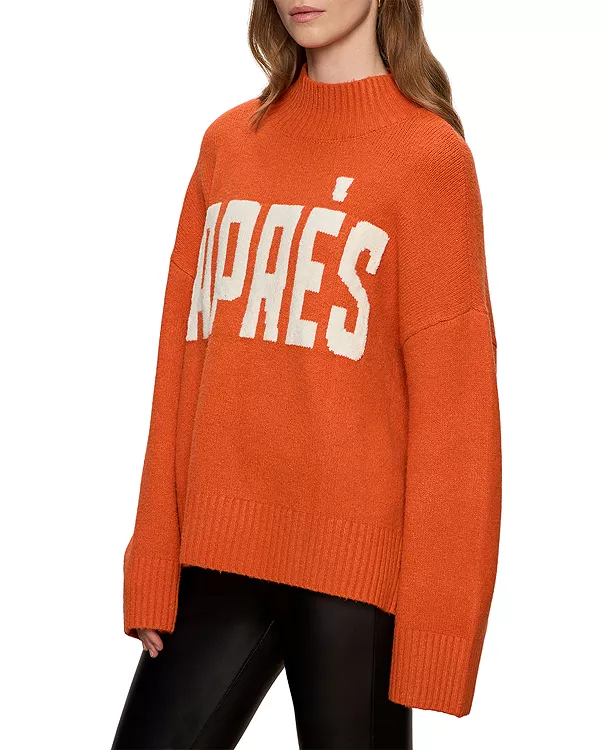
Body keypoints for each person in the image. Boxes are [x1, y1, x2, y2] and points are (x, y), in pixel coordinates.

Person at [111, 0, 502, 748]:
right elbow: (182, 365)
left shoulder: (429, 160)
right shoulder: (229, 144)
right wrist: (154, 557)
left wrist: (441, 634)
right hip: (219, 552)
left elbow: (458, 419)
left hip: (356, 576)